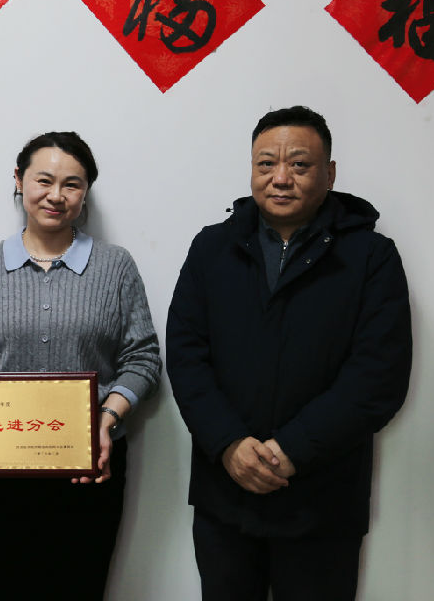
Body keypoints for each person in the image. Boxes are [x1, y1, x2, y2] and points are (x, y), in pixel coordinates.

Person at [166, 106, 412, 601]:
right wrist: (229, 443)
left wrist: (294, 449)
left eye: (299, 165)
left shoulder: (370, 256)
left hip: (323, 498)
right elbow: (186, 356)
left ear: (330, 173)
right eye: (266, 164)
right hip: (225, 491)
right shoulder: (212, 248)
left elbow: (378, 375)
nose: (280, 178)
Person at [0, 131, 161, 601]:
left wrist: (107, 418)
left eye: (72, 184)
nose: (56, 195)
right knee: (10, 586)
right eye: (44, 180)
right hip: (1, 461)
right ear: (19, 180)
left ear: (85, 192)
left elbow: (142, 356)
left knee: (81, 586)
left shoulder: (115, 266)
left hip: (91, 459)